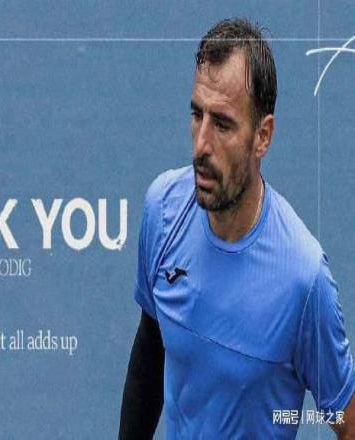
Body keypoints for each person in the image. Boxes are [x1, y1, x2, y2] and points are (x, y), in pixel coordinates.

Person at [119, 18, 355, 439]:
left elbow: (346, 420)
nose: (201, 145)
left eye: (223, 124)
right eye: (197, 115)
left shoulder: (304, 280)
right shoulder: (164, 209)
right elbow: (151, 348)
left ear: (262, 136)